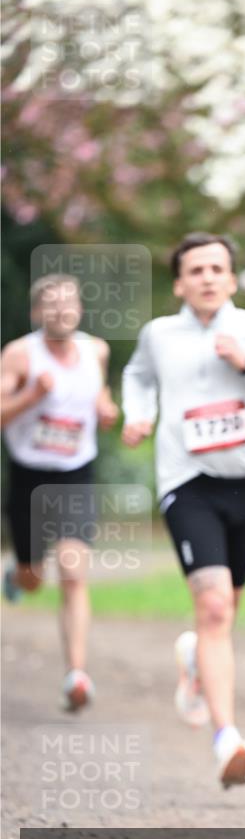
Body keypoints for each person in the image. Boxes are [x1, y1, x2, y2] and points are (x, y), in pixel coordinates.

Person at [121, 232, 245, 789]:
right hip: (186, 482)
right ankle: (227, 738)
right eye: (194, 269)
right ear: (179, 283)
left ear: (232, 278)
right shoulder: (159, 335)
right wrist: (140, 413)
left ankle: (196, 656)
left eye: (215, 268)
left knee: (228, 607)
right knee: (217, 607)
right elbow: (137, 376)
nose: (205, 277)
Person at [1, 274, 118, 710]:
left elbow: (97, 394)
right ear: (36, 313)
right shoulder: (19, 355)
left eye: (68, 303)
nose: (61, 311)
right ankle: (17, 574)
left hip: (74, 472)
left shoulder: (96, 351)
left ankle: (76, 674)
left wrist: (105, 409)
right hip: (28, 475)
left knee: (73, 571)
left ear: (80, 311)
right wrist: (32, 396)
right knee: (34, 580)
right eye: (51, 304)